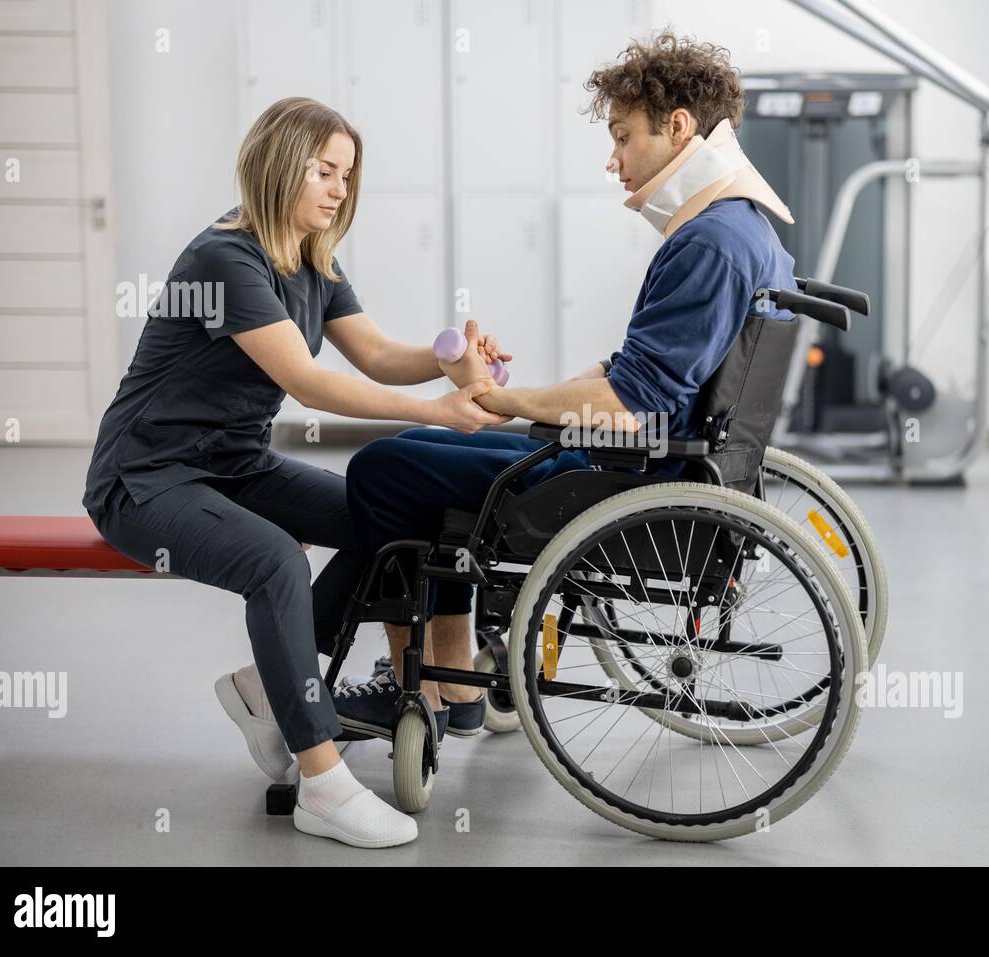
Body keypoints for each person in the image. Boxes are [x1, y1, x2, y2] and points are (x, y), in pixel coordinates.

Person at [341, 31, 798, 741]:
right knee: (417, 444)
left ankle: (425, 691)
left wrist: (507, 404)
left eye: (622, 136)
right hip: (665, 461)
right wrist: (537, 393)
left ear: (678, 128)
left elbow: (627, 404)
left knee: (382, 466)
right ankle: (453, 681)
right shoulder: (747, 233)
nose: (612, 159)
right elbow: (642, 373)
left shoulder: (705, 243)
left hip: (622, 476)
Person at [81, 96, 512, 849]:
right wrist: (435, 412)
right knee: (275, 559)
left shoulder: (312, 255)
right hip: (146, 476)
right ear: (280, 166)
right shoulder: (224, 257)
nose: (339, 189)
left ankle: (266, 687)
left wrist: (448, 359)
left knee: (391, 522)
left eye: (346, 174)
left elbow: (375, 353)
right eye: (324, 171)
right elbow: (310, 383)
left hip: (234, 464)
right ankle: (321, 781)